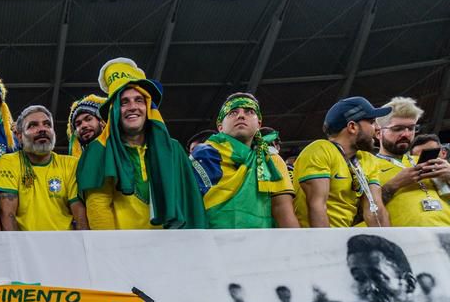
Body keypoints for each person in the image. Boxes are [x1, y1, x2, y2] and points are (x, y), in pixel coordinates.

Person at [77, 58, 207, 230]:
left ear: (148, 108)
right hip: (122, 251)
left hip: (168, 249)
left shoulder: (172, 149)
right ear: (114, 110)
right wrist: (110, 251)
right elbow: (98, 206)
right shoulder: (99, 151)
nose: (132, 107)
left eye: (139, 100)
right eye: (124, 102)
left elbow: (188, 201)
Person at [190, 93, 298, 228]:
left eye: (249, 112)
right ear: (220, 126)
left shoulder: (271, 160)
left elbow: (283, 211)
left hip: (260, 245)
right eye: (232, 112)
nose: (241, 116)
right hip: (209, 242)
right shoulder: (202, 156)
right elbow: (188, 203)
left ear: (259, 124)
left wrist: (297, 247)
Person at [292, 96, 390, 227]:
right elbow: (317, 206)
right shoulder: (320, 150)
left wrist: (388, 245)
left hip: (341, 240)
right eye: (372, 122)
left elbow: (375, 208)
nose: (378, 128)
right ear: (352, 127)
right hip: (311, 242)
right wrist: (326, 246)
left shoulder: (367, 159)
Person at [0, 105, 87, 231]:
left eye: (47, 124)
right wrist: (15, 250)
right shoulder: (8, 162)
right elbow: (7, 214)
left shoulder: (71, 164)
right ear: (19, 136)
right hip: (24, 247)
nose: (42, 129)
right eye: (33, 125)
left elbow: (80, 216)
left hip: (65, 247)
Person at [371, 104, 450, 227]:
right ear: (378, 132)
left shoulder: (427, 161)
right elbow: (357, 212)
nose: (406, 134)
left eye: (411, 128)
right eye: (397, 128)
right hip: (406, 241)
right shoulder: (365, 165)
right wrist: (393, 185)